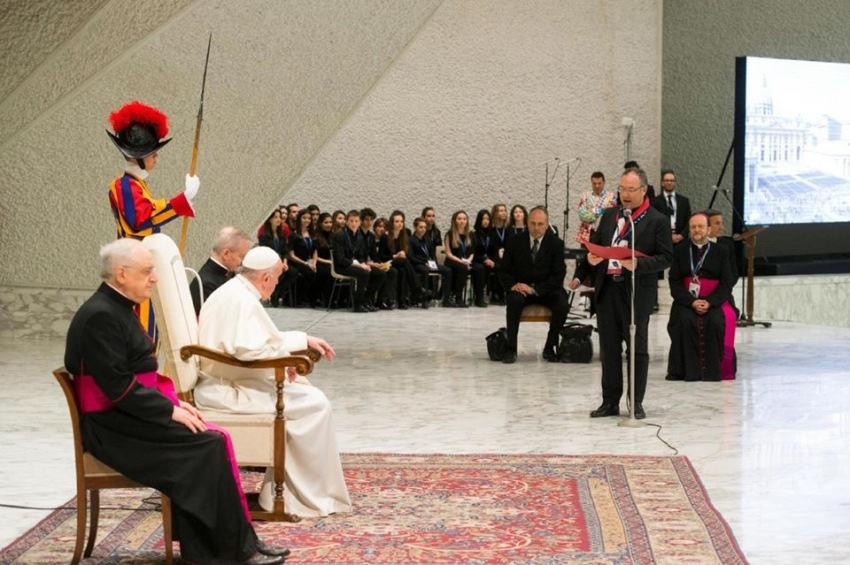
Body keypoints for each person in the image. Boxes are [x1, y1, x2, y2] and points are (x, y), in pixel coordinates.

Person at [65, 239, 288, 565]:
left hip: (125, 416)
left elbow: (134, 380)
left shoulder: (114, 308)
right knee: (206, 446)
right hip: (111, 430)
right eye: (147, 271)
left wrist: (173, 404)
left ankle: (238, 543)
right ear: (122, 274)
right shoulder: (101, 316)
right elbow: (118, 387)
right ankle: (226, 551)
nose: (154, 278)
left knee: (208, 440)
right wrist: (168, 409)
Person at [196, 246, 351, 518]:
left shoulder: (237, 292)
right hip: (226, 388)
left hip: (234, 378)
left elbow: (257, 340)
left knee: (309, 396)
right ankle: (297, 498)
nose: (277, 285)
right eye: (277, 279)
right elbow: (248, 351)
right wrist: (283, 359)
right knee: (315, 405)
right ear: (266, 277)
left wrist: (301, 341)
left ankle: (293, 492)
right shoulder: (240, 299)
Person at [107, 101, 199, 344]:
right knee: (141, 332)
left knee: (150, 330)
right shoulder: (122, 185)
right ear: (139, 157)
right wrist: (182, 200)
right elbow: (142, 219)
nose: (157, 157)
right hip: (132, 267)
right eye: (153, 153)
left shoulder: (137, 185)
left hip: (141, 266)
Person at [584, 167, 672, 419]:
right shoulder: (610, 214)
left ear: (644, 190)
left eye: (631, 189)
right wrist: (592, 258)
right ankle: (610, 401)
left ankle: (635, 402)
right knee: (609, 348)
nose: (625, 194)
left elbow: (666, 258)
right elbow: (597, 245)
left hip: (635, 292)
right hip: (608, 289)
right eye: (622, 188)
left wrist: (639, 264)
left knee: (636, 349)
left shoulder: (657, 220)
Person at [666, 213, 735, 382]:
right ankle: (686, 370)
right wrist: (692, 302)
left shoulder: (721, 251)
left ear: (708, 230)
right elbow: (674, 281)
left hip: (714, 300)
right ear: (689, 230)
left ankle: (714, 370)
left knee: (716, 322)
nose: (697, 230)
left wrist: (710, 302)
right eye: (693, 227)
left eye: (701, 226)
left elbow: (727, 282)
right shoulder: (680, 251)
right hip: (687, 301)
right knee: (684, 321)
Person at [498, 206, 570, 364]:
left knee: (562, 304)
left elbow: (558, 275)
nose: (536, 228)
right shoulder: (514, 241)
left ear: (547, 224)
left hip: (546, 289)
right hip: (521, 288)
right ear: (527, 223)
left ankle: (550, 347)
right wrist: (513, 286)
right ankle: (511, 348)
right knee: (513, 300)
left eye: (540, 224)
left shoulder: (556, 244)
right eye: (532, 223)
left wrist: (535, 289)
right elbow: (504, 270)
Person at [189, 226, 253, 315]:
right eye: (242, 256)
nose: (243, 262)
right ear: (226, 254)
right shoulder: (207, 284)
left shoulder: (221, 275)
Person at [333, 210, 386, 312]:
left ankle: (365, 300)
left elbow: (360, 256)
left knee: (381, 274)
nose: (354, 223)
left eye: (356, 221)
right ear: (347, 222)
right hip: (342, 266)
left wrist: (367, 264)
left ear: (359, 222)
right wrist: (360, 265)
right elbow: (340, 258)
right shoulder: (340, 235)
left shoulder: (359, 236)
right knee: (364, 273)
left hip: (355, 264)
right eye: (351, 221)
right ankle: (358, 305)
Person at [444, 210, 484, 307]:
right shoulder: (449, 234)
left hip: (467, 261)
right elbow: (448, 254)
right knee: (463, 269)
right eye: (459, 219)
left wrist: (469, 261)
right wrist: (462, 262)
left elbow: (472, 252)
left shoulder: (470, 234)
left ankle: (479, 298)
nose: (462, 221)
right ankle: (458, 297)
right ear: (455, 221)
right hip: (453, 261)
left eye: (464, 219)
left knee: (480, 268)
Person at [409, 217, 453, 307]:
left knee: (448, 270)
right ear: (415, 227)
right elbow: (411, 257)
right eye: (420, 227)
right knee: (424, 271)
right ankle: (424, 298)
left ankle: (444, 297)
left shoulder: (428, 239)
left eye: (425, 227)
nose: (423, 229)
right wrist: (424, 262)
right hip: (418, 264)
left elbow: (432, 253)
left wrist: (433, 261)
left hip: (429, 263)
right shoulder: (411, 240)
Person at [258, 210, 297, 307]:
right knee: (279, 271)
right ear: (270, 219)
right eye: (275, 217)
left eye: (279, 217)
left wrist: (285, 262)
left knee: (293, 272)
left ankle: (278, 291)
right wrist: (278, 263)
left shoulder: (282, 235)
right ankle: (273, 293)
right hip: (269, 262)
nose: (279, 219)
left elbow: (285, 251)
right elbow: (265, 252)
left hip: (280, 261)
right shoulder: (264, 236)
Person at [651, 169, 692, 246]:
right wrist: (667, 236)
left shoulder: (684, 201)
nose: (669, 183)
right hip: (662, 242)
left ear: (675, 183)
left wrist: (681, 235)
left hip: (681, 242)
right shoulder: (655, 202)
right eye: (666, 180)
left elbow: (689, 220)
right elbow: (654, 222)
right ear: (662, 183)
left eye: (672, 180)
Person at [288, 209, 319, 307]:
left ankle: (315, 299)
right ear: (299, 219)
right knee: (309, 272)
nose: (307, 220)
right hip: (298, 262)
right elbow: (291, 255)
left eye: (309, 218)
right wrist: (305, 263)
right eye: (304, 218)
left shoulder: (312, 235)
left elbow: (315, 251)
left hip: (310, 262)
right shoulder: (294, 235)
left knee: (320, 272)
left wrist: (314, 262)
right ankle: (303, 299)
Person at [576, 171, 617, 244]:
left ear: (604, 183)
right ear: (591, 183)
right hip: (588, 233)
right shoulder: (585, 196)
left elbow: (611, 214)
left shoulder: (611, 197)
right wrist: (602, 211)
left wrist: (591, 211)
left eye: (599, 183)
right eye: (594, 183)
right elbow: (582, 214)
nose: (597, 186)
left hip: (604, 232)